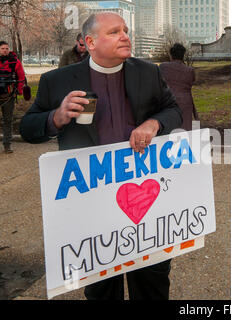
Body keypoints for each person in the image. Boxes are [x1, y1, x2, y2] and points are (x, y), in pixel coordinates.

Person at [20, 12, 182, 300]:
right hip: (91, 203)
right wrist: (56, 117)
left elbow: (173, 110)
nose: (125, 36)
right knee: (101, 288)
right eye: (114, 32)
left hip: (145, 196)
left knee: (152, 282)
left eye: (125, 30)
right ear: (90, 42)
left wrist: (153, 124)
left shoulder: (149, 72)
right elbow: (29, 128)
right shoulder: (56, 81)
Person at [160, 43, 198, 131]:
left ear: (171, 55)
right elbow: (191, 82)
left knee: (168, 128)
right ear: (183, 55)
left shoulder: (163, 67)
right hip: (185, 102)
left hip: (168, 101)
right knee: (185, 128)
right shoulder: (190, 70)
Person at [0, 41, 25, 154]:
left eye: (6, 48)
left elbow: (21, 77)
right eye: (2, 48)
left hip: (9, 96)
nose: (5, 50)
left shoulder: (15, 62)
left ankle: (7, 145)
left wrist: (18, 91)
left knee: (8, 120)